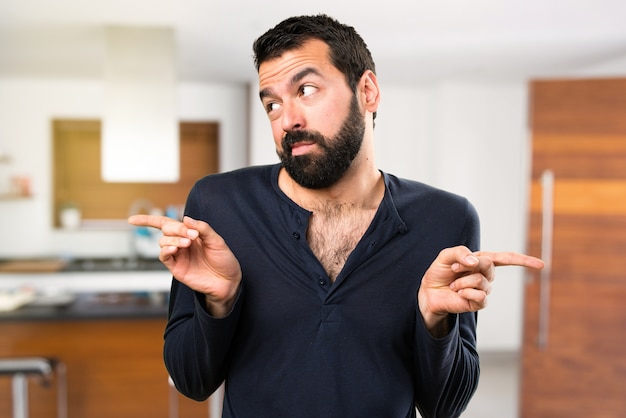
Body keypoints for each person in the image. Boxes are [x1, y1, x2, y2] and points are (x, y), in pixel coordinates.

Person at [129, 14, 544, 418]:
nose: (287, 119)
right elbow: (190, 381)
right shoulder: (218, 205)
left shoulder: (446, 219)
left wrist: (436, 324)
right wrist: (218, 303)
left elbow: (445, 406)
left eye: (306, 89)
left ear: (367, 91)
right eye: (272, 104)